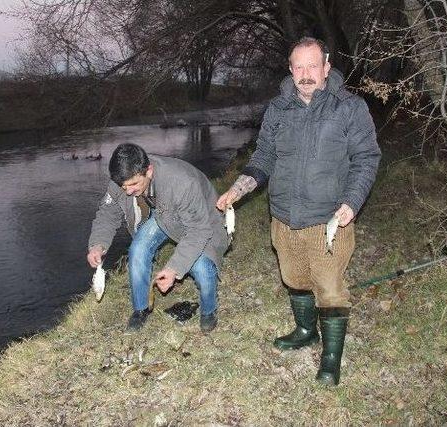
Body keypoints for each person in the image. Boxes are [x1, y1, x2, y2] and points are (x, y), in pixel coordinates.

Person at [217, 37, 381, 385]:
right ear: (291, 70)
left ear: (326, 67)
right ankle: (306, 329)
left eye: (312, 65)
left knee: (330, 287)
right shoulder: (278, 110)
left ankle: (332, 358)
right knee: (294, 278)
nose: (306, 74)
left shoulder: (349, 108)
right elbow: (263, 157)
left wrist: (351, 201)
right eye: (299, 67)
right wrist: (237, 188)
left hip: (328, 220)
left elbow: (366, 159)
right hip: (284, 218)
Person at [87, 143, 229, 333]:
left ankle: (209, 310)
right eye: (123, 186)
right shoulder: (123, 178)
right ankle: (141, 308)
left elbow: (198, 231)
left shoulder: (182, 182)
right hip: (164, 214)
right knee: (138, 250)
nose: (128, 191)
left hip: (204, 221)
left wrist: (174, 269)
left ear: (149, 171)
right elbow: (107, 213)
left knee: (201, 267)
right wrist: (97, 244)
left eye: (134, 185)